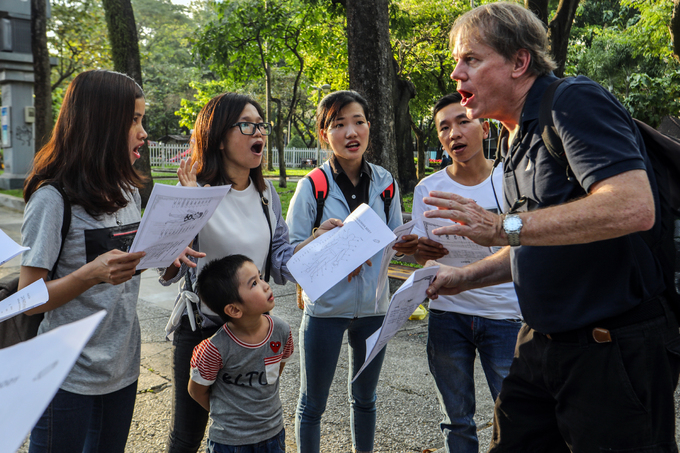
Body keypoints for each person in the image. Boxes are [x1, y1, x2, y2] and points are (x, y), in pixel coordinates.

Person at [423, 3, 680, 452]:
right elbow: (536, 241)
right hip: (541, 344)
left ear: (520, 62)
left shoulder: (572, 99)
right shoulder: (514, 136)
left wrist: (504, 225)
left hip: (612, 349)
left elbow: (633, 206)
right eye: (455, 62)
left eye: (471, 59)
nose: (456, 75)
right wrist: (463, 278)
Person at [159, 92, 340, 453]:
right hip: (203, 330)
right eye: (246, 124)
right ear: (219, 137)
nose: (258, 132)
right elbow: (169, 269)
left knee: (252, 431)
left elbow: (281, 261)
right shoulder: (195, 189)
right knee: (188, 434)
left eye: (261, 125)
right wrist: (187, 209)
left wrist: (316, 240)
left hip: (253, 330)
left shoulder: (265, 193)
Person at [19, 69, 148, 453]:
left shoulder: (129, 192)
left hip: (122, 367)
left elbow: (126, 270)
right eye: (134, 120)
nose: (143, 132)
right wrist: (89, 275)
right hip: (64, 374)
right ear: (103, 123)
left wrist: (168, 259)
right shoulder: (52, 199)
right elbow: (28, 300)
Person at [286, 90, 418, 453]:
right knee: (312, 404)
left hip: (375, 310)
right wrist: (318, 239)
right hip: (325, 310)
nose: (351, 132)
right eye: (339, 124)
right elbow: (289, 255)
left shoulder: (386, 183)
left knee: (366, 398)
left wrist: (405, 245)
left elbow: (392, 238)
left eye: (358, 121)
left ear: (369, 128)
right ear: (324, 134)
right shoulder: (312, 186)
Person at [412, 92, 521, 453]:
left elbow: (527, 240)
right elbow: (424, 258)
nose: (454, 133)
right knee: (456, 421)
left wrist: (497, 229)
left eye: (463, 121)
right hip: (448, 315)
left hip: (505, 314)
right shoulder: (428, 189)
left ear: (485, 126)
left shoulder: (512, 179)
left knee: (516, 418)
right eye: (444, 127)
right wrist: (419, 253)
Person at [188, 254, 294, 453]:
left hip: (273, 434)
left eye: (260, 277)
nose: (265, 285)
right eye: (254, 283)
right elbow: (196, 391)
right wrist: (227, 416)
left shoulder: (282, 331)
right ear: (234, 309)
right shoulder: (213, 349)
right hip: (229, 442)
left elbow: (275, 371)